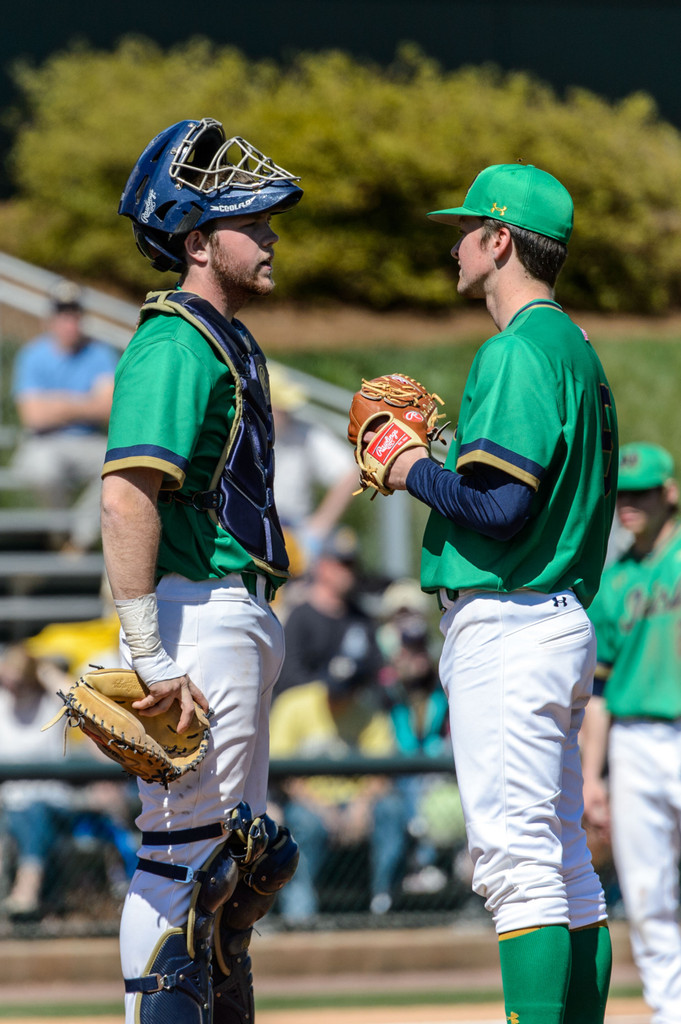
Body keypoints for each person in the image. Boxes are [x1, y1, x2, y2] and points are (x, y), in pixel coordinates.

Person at [368, 163, 617, 1023]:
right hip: (555, 617)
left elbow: (502, 511)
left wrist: (410, 467)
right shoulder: (571, 345)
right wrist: (444, 456)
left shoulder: (515, 349)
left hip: (510, 622)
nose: (455, 246)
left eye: (466, 230)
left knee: (518, 868)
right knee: (563, 864)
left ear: (500, 240)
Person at [101, 117, 303, 1024]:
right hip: (193, 613)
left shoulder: (224, 338)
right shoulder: (174, 341)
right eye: (250, 224)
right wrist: (147, 650)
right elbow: (127, 495)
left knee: (238, 864)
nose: (268, 237)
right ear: (196, 243)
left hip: (235, 610)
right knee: (184, 857)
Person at [582, 442, 681, 1024]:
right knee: (646, 889)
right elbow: (598, 692)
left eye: (642, 492)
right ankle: (670, 1010)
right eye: (623, 494)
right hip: (635, 740)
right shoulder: (615, 581)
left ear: (669, 493)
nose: (630, 504)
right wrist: (591, 776)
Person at [269, 652, 406, 923]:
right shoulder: (294, 703)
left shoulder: (368, 709)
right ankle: (300, 917)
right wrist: (324, 810)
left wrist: (361, 805)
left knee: (391, 810)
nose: (334, 696)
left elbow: (383, 770)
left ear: (357, 690)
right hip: (308, 804)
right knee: (303, 823)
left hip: (357, 803)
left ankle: (385, 905)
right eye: (330, 687)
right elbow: (283, 774)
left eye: (342, 690)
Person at [11, 280, 118, 552]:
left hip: (88, 441)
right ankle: (58, 534)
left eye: (74, 314)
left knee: (118, 464)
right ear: (50, 319)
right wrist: (84, 404)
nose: (69, 322)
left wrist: (58, 404)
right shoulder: (32, 355)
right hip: (43, 443)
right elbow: (33, 417)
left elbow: (107, 408)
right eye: (62, 314)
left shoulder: (100, 353)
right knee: (43, 468)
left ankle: (75, 540)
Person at [268, 364, 357, 573]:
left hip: (293, 530)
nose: (288, 412)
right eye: (281, 407)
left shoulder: (305, 432)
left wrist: (318, 527)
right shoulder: (239, 437)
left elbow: (351, 473)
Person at [274, 527, 384, 695]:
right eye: (342, 564)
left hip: (353, 708)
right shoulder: (301, 618)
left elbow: (377, 673)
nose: (349, 572)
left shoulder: (361, 620)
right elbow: (288, 679)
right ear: (322, 566)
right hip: (311, 707)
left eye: (352, 564)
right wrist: (329, 691)